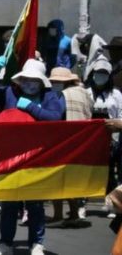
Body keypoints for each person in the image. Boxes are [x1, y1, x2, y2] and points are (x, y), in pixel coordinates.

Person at [0, 58, 65, 255]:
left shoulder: (51, 96)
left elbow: (55, 117)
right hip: (12, 156)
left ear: (42, 82)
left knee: (35, 203)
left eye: (34, 80)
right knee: (9, 203)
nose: (29, 83)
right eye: (25, 78)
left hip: (38, 157)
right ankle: (5, 244)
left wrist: (31, 108)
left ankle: (36, 244)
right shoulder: (10, 92)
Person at [49, 67, 93, 224]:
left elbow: (57, 115)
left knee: (57, 179)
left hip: (65, 141)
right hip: (83, 140)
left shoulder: (63, 95)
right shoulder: (84, 93)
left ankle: (58, 215)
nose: (54, 84)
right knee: (72, 180)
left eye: (56, 81)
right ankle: (74, 213)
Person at [85, 56, 122, 204]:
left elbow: (121, 114)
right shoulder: (85, 92)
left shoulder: (116, 94)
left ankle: (112, 202)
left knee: (110, 171)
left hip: (112, 138)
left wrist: (115, 125)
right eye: (98, 72)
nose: (100, 76)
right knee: (88, 171)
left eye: (104, 73)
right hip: (90, 139)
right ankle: (82, 202)